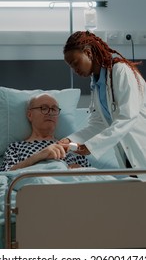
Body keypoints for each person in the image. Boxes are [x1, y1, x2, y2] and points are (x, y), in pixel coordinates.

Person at [62, 30, 146, 172]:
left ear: (88, 53)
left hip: (140, 144)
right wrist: (70, 140)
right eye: (71, 67)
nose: (75, 70)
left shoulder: (120, 71)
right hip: (127, 155)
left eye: (75, 63)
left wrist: (91, 146)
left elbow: (128, 117)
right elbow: (98, 123)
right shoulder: (97, 84)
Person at [0, 94, 90, 171]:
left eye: (54, 109)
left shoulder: (72, 149)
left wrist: (80, 171)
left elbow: (94, 176)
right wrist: (39, 156)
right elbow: (6, 174)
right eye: (44, 108)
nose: (50, 113)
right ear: (30, 115)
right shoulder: (16, 147)